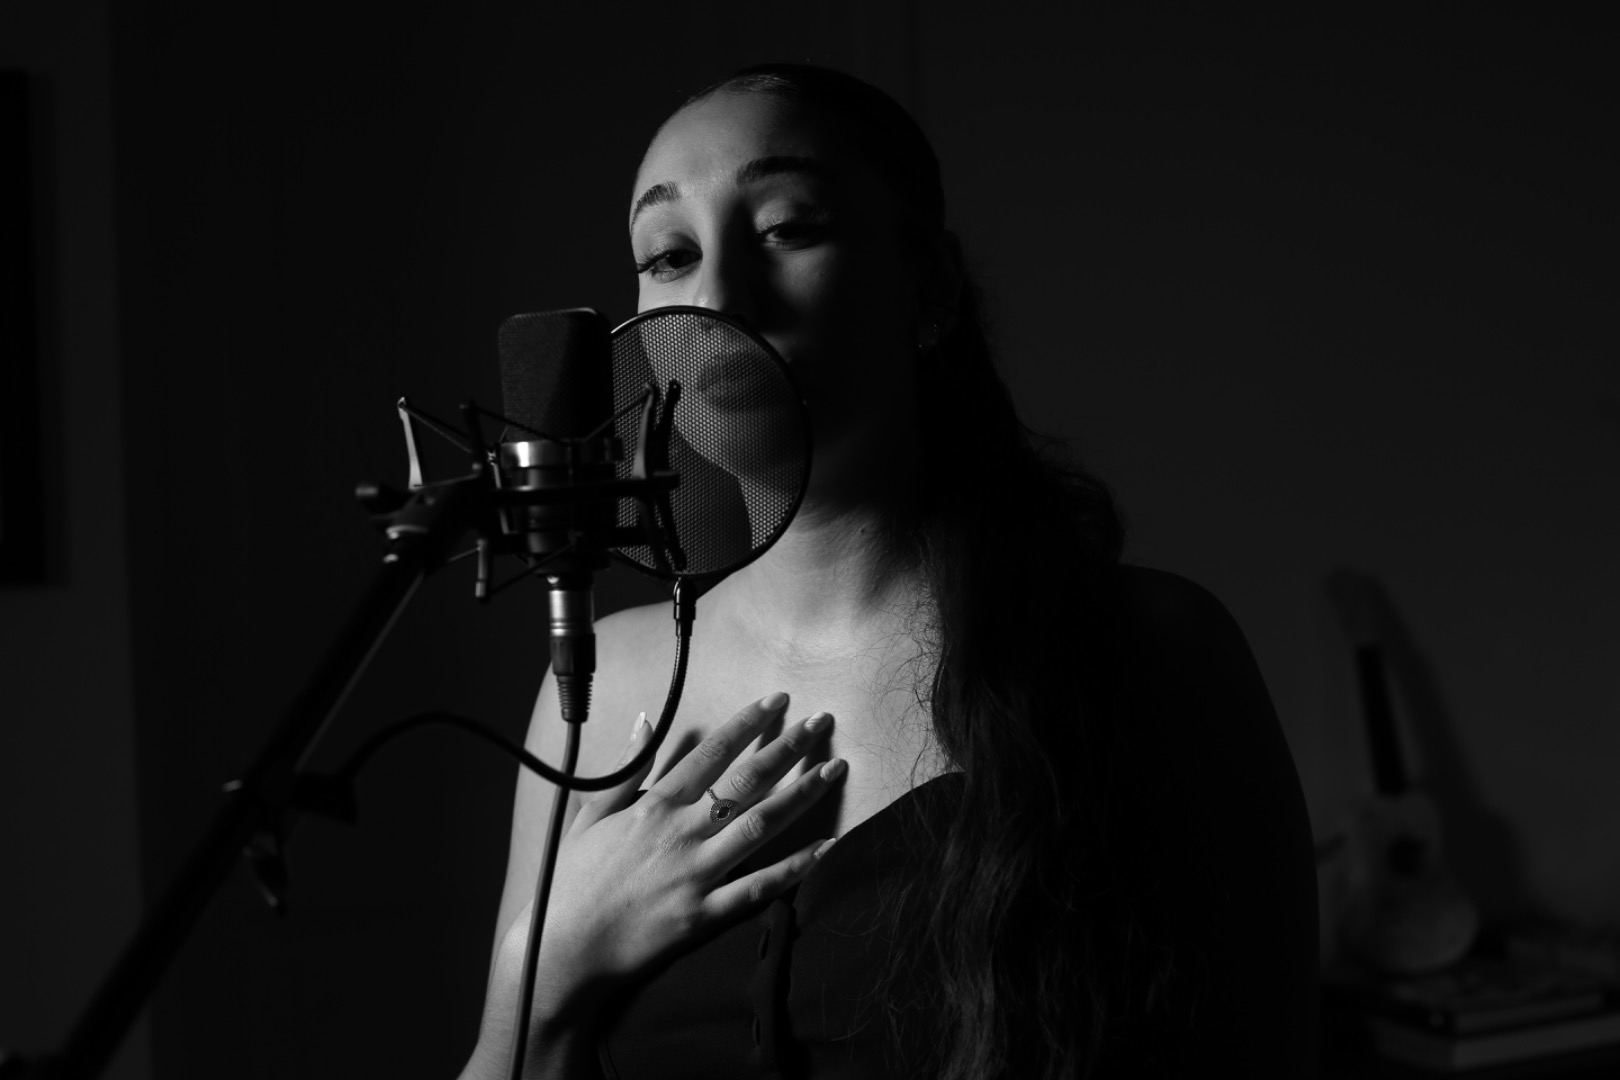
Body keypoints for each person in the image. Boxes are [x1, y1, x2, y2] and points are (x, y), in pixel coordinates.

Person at [460, 64, 1318, 1079]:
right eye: (671, 254)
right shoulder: (602, 692)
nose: (719, 300)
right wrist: (544, 968)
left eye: (787, 228)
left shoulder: (1155, 652)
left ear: (931, 287)